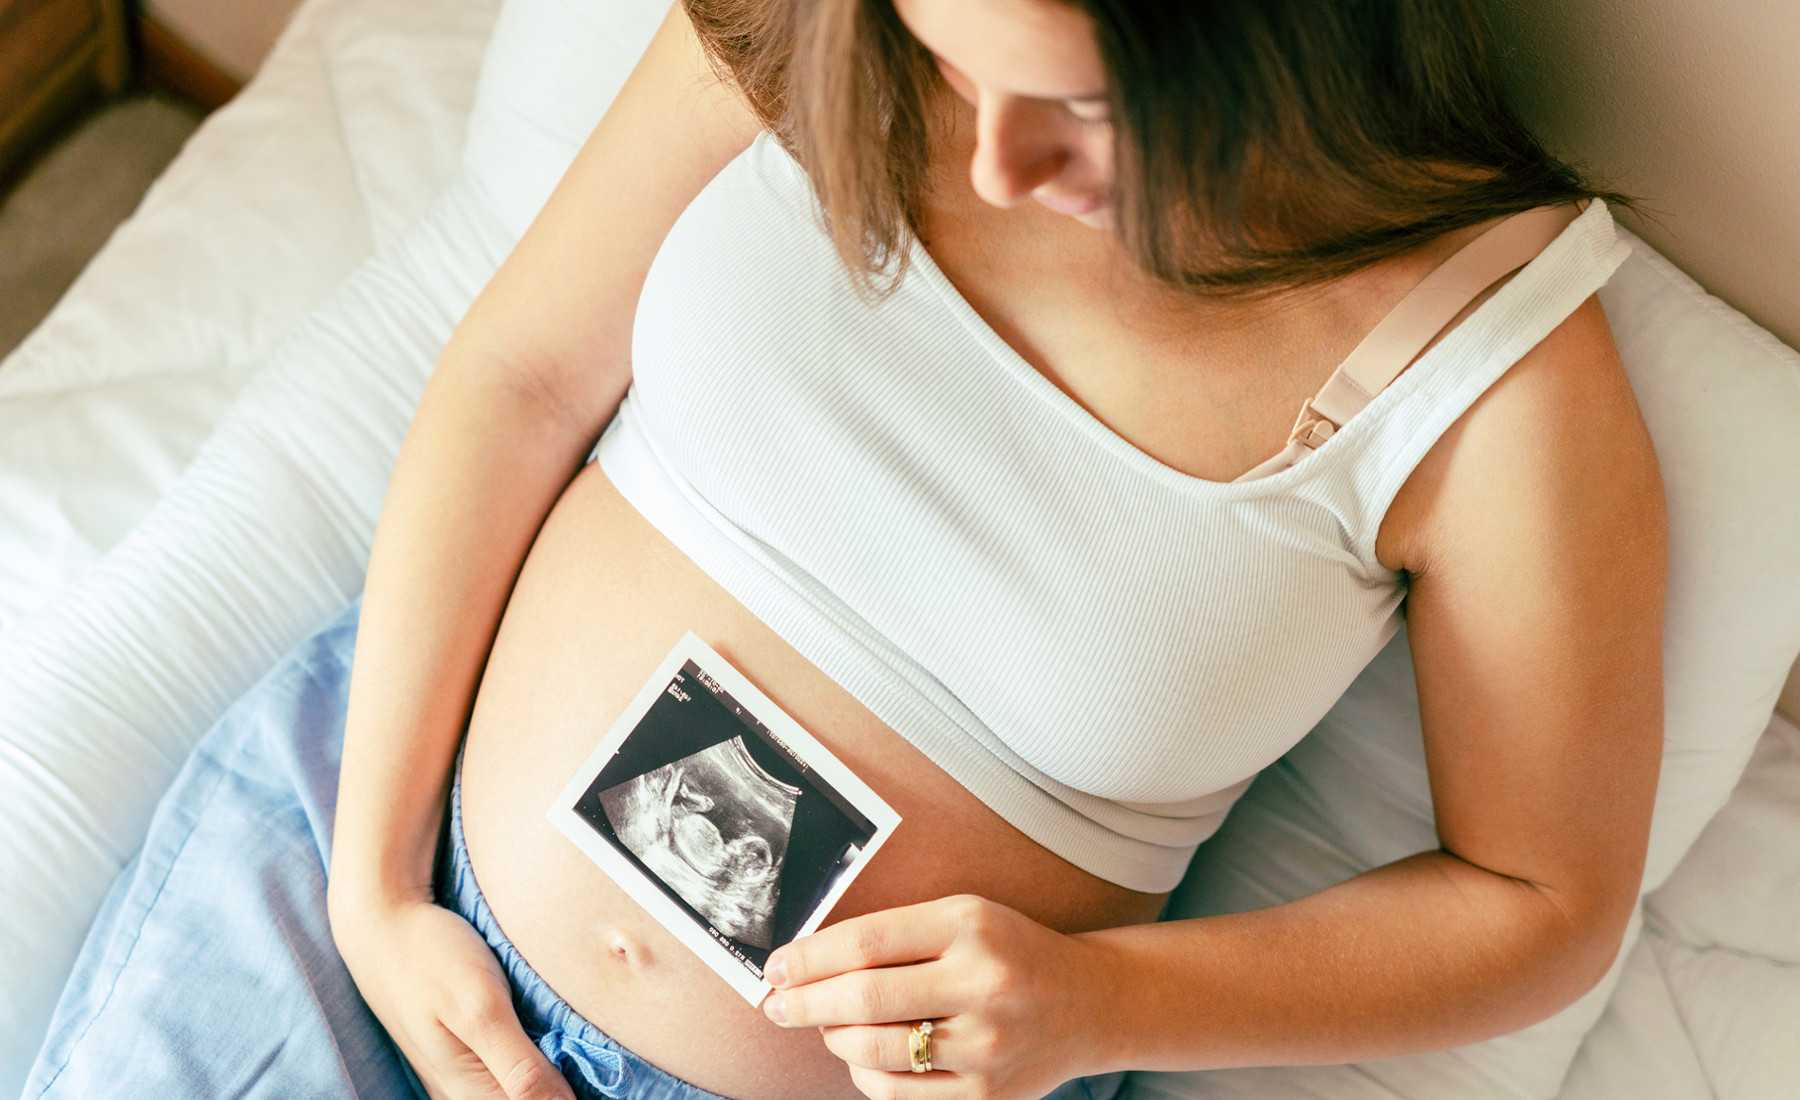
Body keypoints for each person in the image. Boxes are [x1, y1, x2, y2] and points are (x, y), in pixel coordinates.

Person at [29, 1, 1665, 1099]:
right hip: (366, 840)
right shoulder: (825, 21)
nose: (996, 167)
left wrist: (1107, 1003)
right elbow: (520, 381)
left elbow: (1540, 900)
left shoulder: (1497, 389)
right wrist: (377, 886)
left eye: (1082, 115)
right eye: (951, 60)